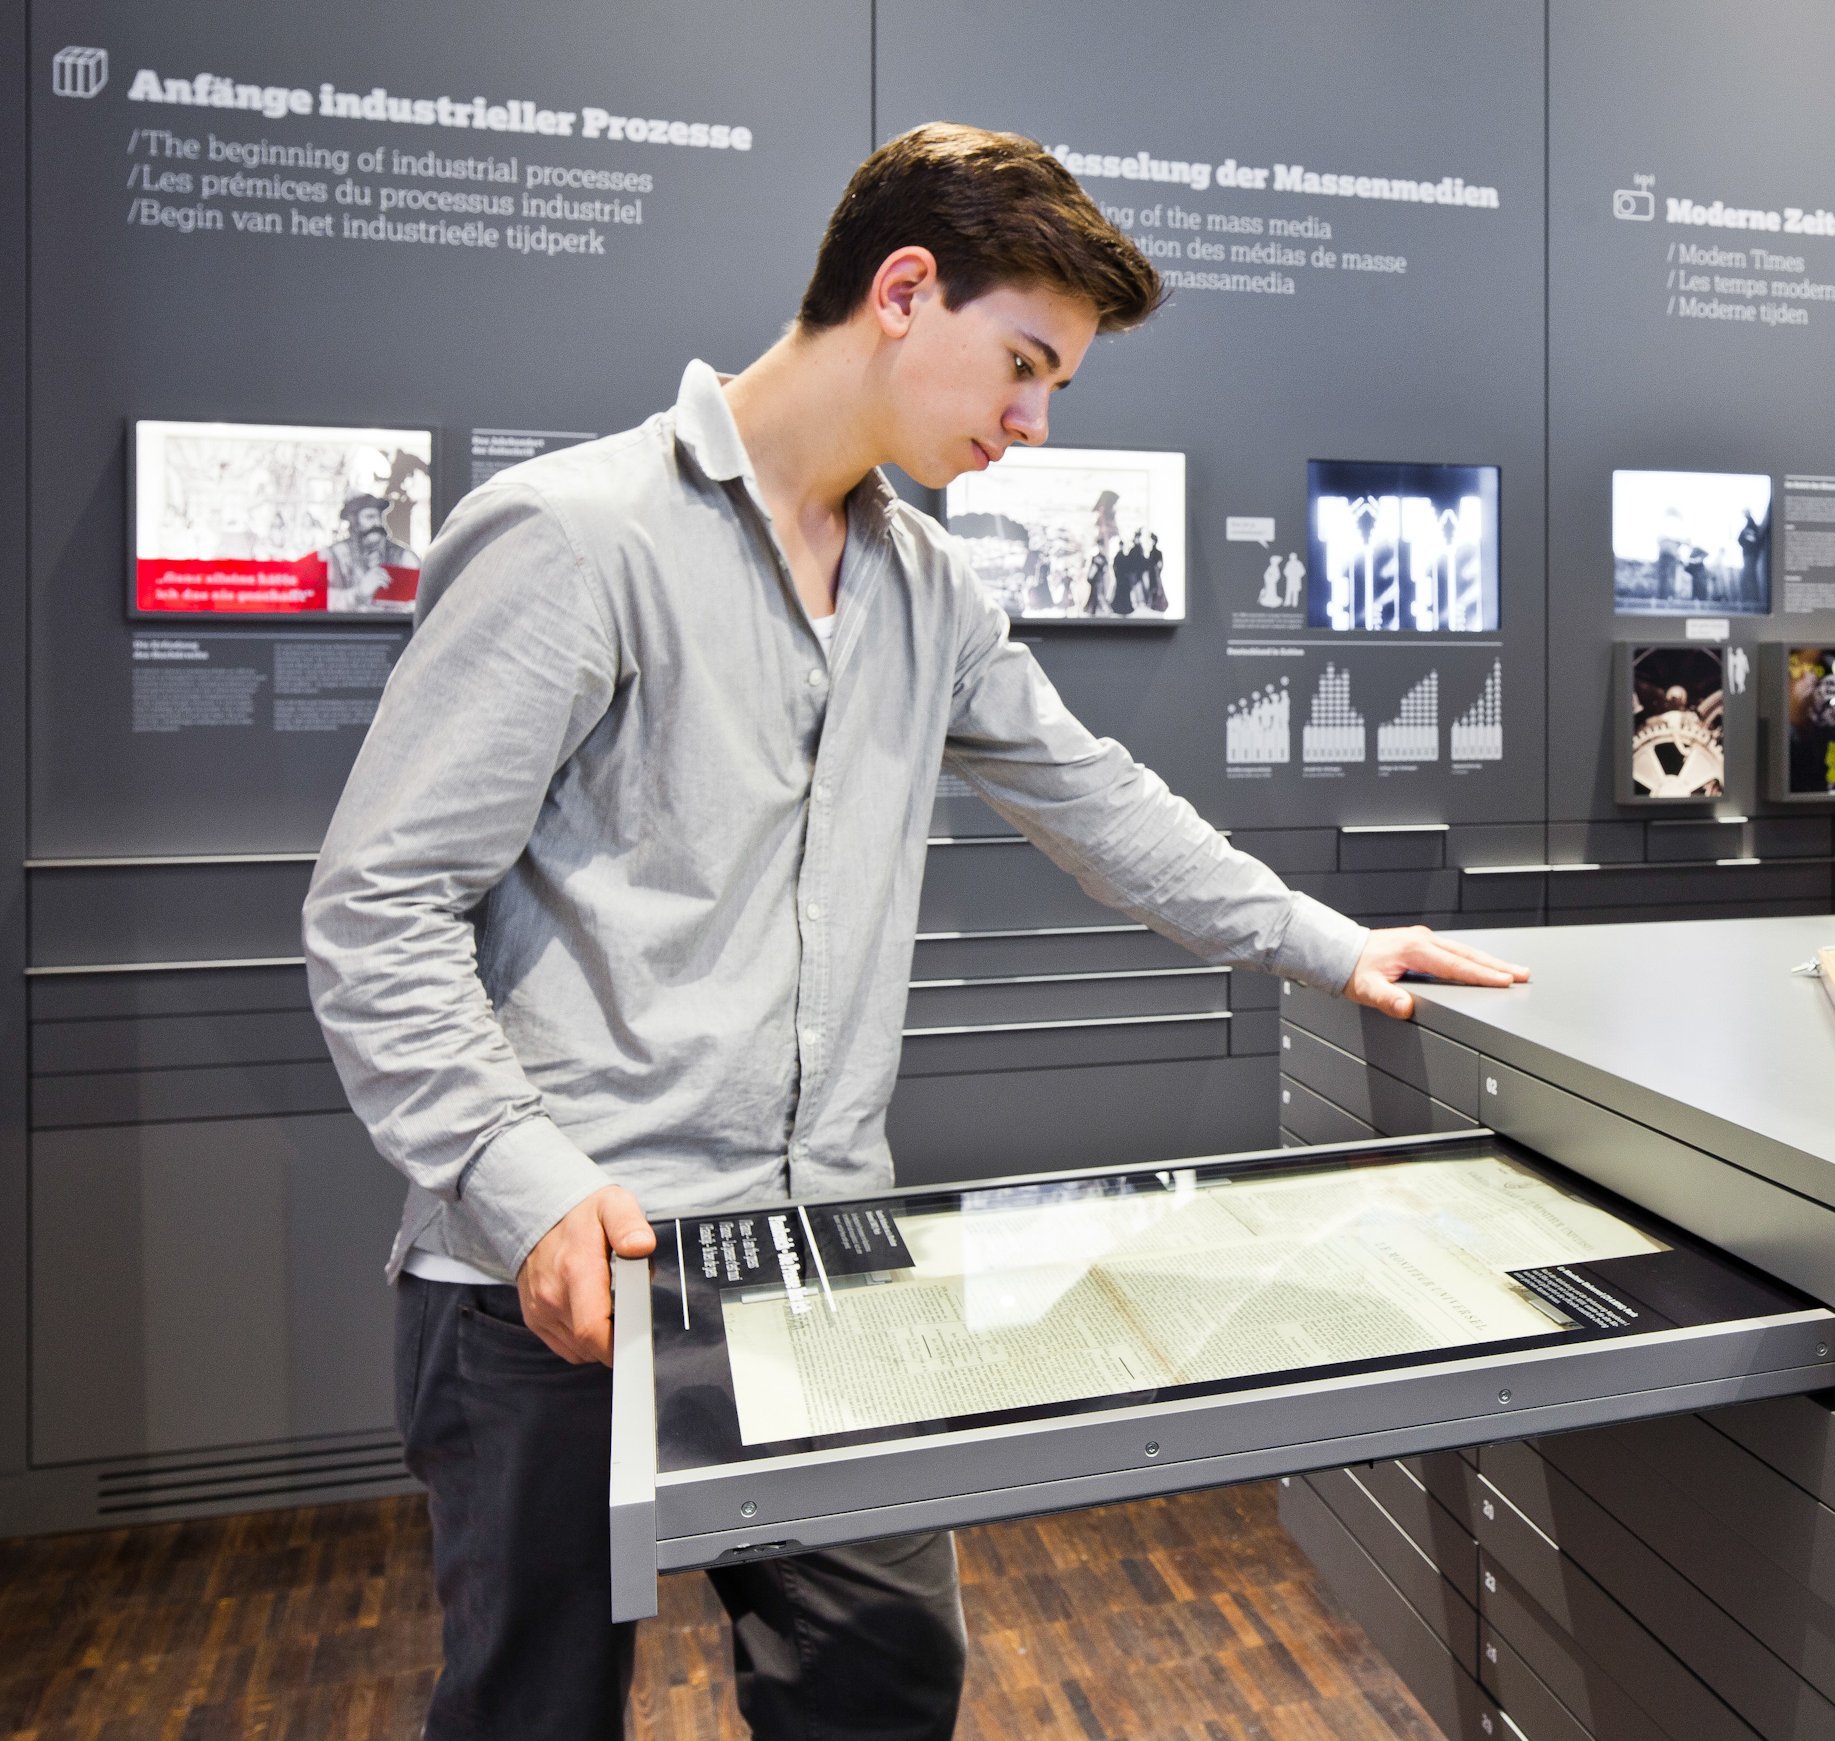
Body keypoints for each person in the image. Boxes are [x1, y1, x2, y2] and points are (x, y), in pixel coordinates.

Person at [302, 123, 1527, 1741]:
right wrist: (523, 1186)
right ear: (901, 291)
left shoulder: (927, 588)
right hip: (554, 1276)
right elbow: (376, 908)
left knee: (886, 1679)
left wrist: (1330, 941)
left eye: (1056, 389)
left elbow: (1097, 800)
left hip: (820, 1264)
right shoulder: (577, 539)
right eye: (1023, 366)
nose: (1030, 423)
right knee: (533, 1712)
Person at [319, 491, 419, 612]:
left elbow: (421, 600)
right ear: (354, 522)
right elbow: (321, 601)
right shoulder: (335, 555)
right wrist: (359, 593)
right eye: (370, 517)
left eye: (379, 517)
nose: (377, 523)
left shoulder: (404, 557)